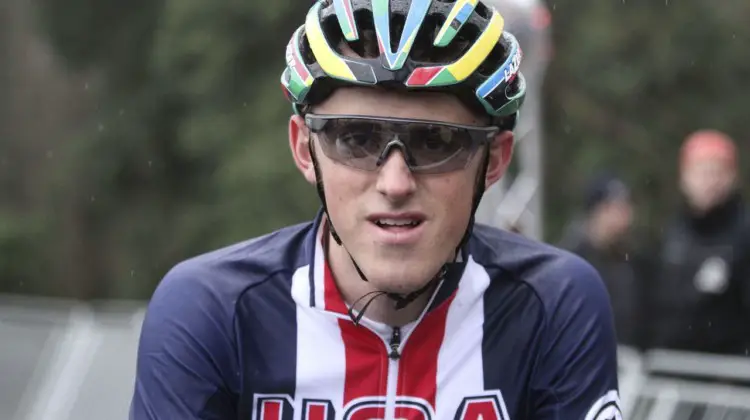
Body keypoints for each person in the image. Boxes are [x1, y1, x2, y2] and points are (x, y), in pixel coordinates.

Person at [129, 1, 621, 418]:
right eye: (356, 138)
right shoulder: (209, 311)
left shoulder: (554, 306)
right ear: (305, 149)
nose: (395, 183)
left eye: (437, 142)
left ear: (494, 160)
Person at [647, 129, 750, 355]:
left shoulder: (743, 233)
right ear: (684, 178)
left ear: (733, 177)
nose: (709, 181)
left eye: (717, 172)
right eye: (701, 172)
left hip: (729, 374)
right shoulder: (673, 233)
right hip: (673, 369)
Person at [559, 173, 649, 349]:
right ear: (594, 212)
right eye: (611, 209)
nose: (621, 217)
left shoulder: (635, 262)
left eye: (624, 208)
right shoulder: (568, 262)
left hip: (629, 363)